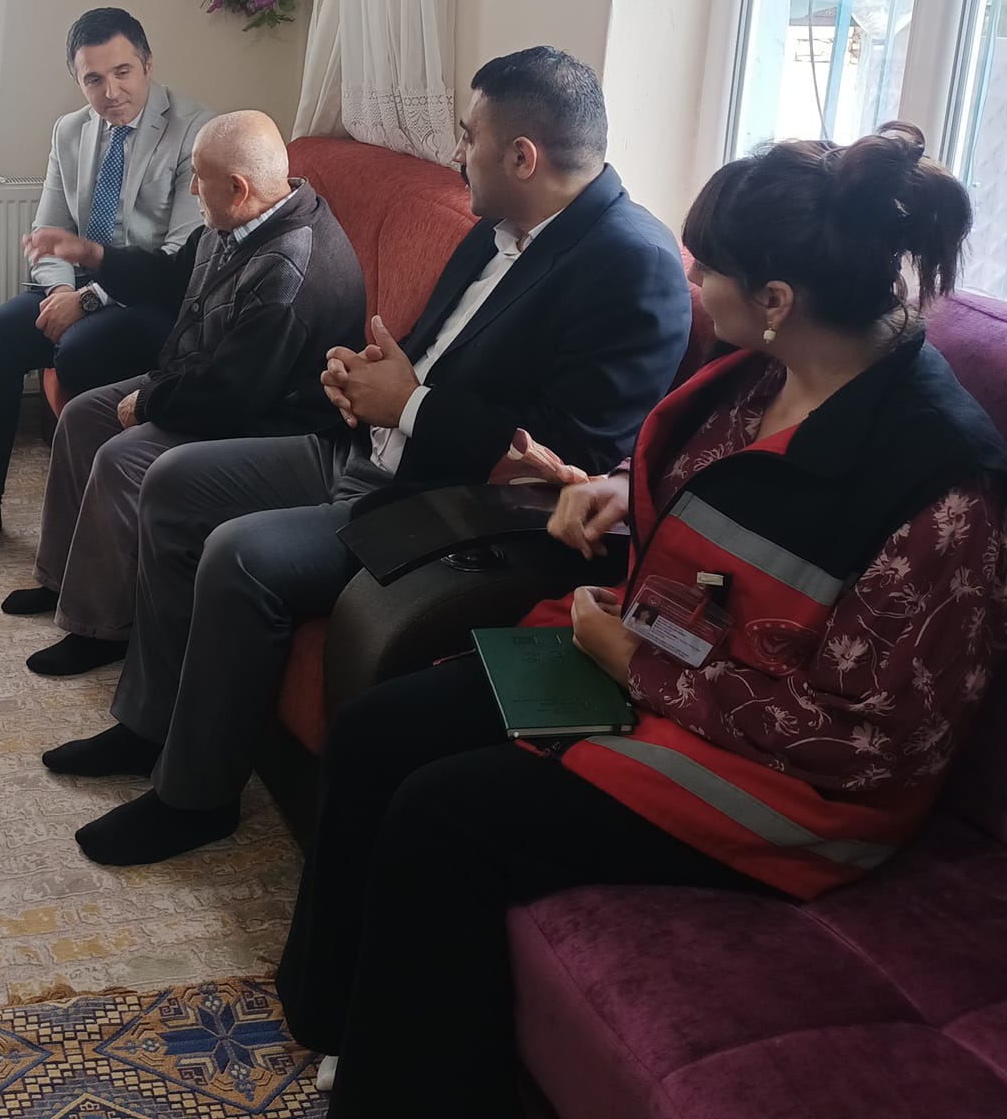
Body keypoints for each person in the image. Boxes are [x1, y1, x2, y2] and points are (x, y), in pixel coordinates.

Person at [275, 124, 1007, 1116]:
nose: (695, 285)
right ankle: (339, 1021)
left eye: (706, 270)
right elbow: (726, 515)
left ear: (776, 300)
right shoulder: (764, 375)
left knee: (445, 814)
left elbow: (866, 746)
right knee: (379, 730)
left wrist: (636, 664)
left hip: (788, 788)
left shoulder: (950, 499)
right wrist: (612, 494)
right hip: (664, 668)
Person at [47, 47, 694, 864]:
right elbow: (429, 352)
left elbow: (577, 455)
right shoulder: (497, 228)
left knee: (240, 554)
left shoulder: (632, 265)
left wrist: (410, 404)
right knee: (172, 480)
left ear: (522, 156)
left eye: (470, 137)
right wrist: (364, 377)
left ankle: (194, 800)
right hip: (367, 446)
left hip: (443, 501)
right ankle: (149, 727)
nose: (458, 153)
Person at [5, 110, 366, 676]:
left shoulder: (288, 269)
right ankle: (63, 580)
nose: (192, 187)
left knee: (123, 458)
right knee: (82, 417)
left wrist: (149, 403)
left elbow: (234, 397)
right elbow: (171, 277)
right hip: (205, 378)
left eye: (199, 176)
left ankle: (102, 627)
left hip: (272, 421)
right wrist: (90, 254)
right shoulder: (241, 220)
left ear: (238, 188)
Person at [0, 9, 213, 566]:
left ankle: (91, 520)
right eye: (94, 79)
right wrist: (61, 292)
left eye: (123, 72)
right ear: (77, 80)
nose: (111, 92)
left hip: (150, 298)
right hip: (79, 286)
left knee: (80, 350)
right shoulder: (70, 131)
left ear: (148, 64)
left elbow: (181, 256)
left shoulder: (193, 130)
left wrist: (87, 301)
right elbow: (49, 233)